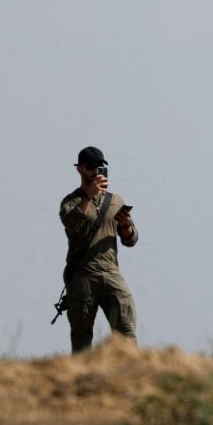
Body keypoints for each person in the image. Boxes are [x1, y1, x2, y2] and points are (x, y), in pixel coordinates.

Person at [58, 146, 139, 354]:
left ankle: (131, 377)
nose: (96, 172)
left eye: (100, 167)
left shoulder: (115, 201)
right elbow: (72, 226)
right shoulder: (71, 202)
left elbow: (131, 240)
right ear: (80, 169)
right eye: (91, 167)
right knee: (82, 339)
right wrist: (88, 196)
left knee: (126, 333)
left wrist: (125, 226)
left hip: (111, 274)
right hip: (82, 278)